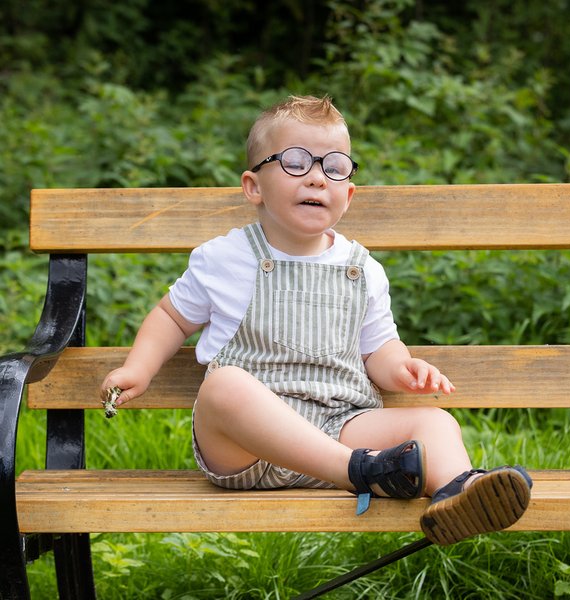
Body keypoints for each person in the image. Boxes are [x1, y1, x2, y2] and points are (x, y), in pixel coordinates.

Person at [101, 95, 532, 545]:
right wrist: (138, 368)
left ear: (347, 194)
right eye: (295, 162)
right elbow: (171, 317)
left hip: (343, 427)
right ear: (253, 186)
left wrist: (402, 368)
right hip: (247, 451)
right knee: (224, 385)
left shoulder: (362, 269)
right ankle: (362, 472)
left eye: (334, 167)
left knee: (436, 422)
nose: (315, 178)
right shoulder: (224, 257)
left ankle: (458, 492)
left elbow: (377, 348)